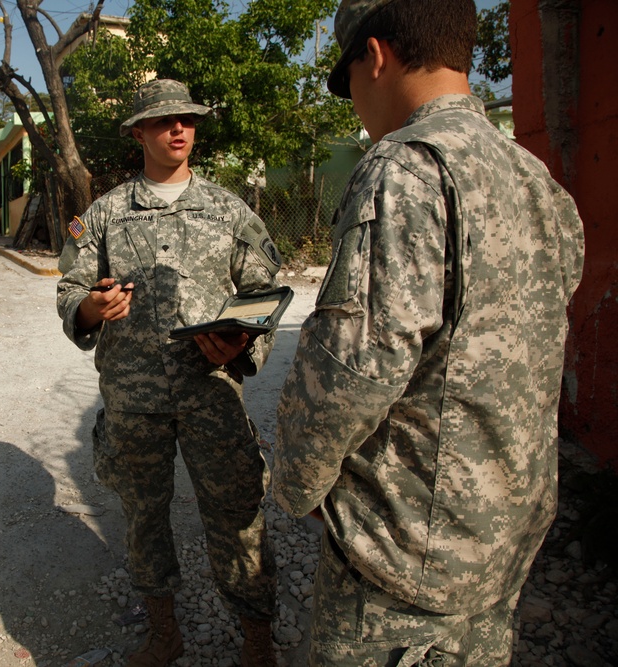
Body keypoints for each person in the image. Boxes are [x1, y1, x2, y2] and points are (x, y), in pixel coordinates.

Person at [271, 0, 585, 664]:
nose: (355, 102)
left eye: (349, 78)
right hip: (501, 544)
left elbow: (352, 370)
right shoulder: (536, 179)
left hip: (402, 562)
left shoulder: (407, 167)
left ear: (375, 56)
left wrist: (295, 480)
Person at [57, 79, 282, 667]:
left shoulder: (229, 209)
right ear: (138, 134)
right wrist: (90, 307)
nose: (177, 129)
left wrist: (237, 345)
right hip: (134, 399)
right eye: (162, 122)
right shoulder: (105, 214)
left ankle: (257, 645)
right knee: (143, 519)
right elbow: (70, 289)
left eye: (185, 119)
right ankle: (164, 634)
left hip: (212, 392)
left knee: (238, 517)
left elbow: (263, 294)